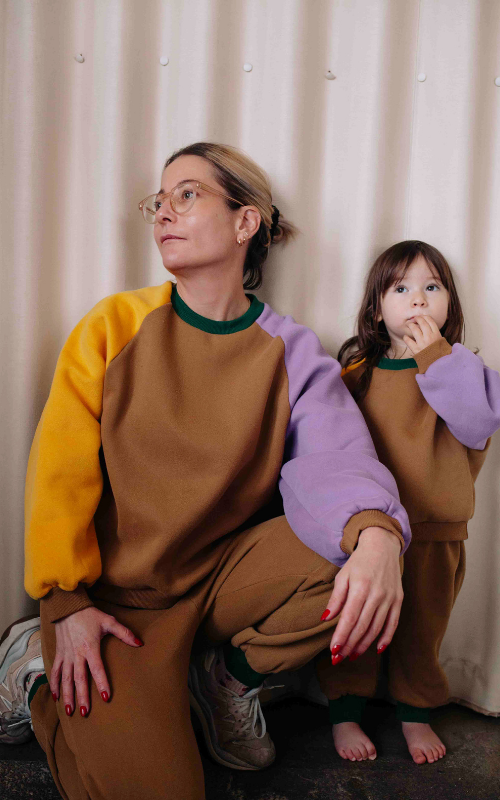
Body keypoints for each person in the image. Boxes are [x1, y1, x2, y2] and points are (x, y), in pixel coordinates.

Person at [0, 143, 411, 799]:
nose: (164, 212)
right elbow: (59, 473)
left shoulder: (291, 350)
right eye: (159, 201)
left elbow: (334, 457)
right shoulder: (115, 325)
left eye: (187, 194)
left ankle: (224, 681)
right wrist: (65, 603)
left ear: (246, 222)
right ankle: (37, 673)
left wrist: (378, 536)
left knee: (357, 552)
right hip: (115, 606)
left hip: (218, 584)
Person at [316, 240, 500, 765]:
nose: (418, 298)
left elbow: (478, 424)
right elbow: (331, 446)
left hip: (435, 531)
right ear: (377, 309)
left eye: (431, 287)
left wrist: (434, 357)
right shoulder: (357, 374)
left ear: (449, 304)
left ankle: (416, 713)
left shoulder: (462, 368)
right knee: (357, 621)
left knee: (423, 629)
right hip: (369, 532)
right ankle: (344, 711)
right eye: (401, 288)